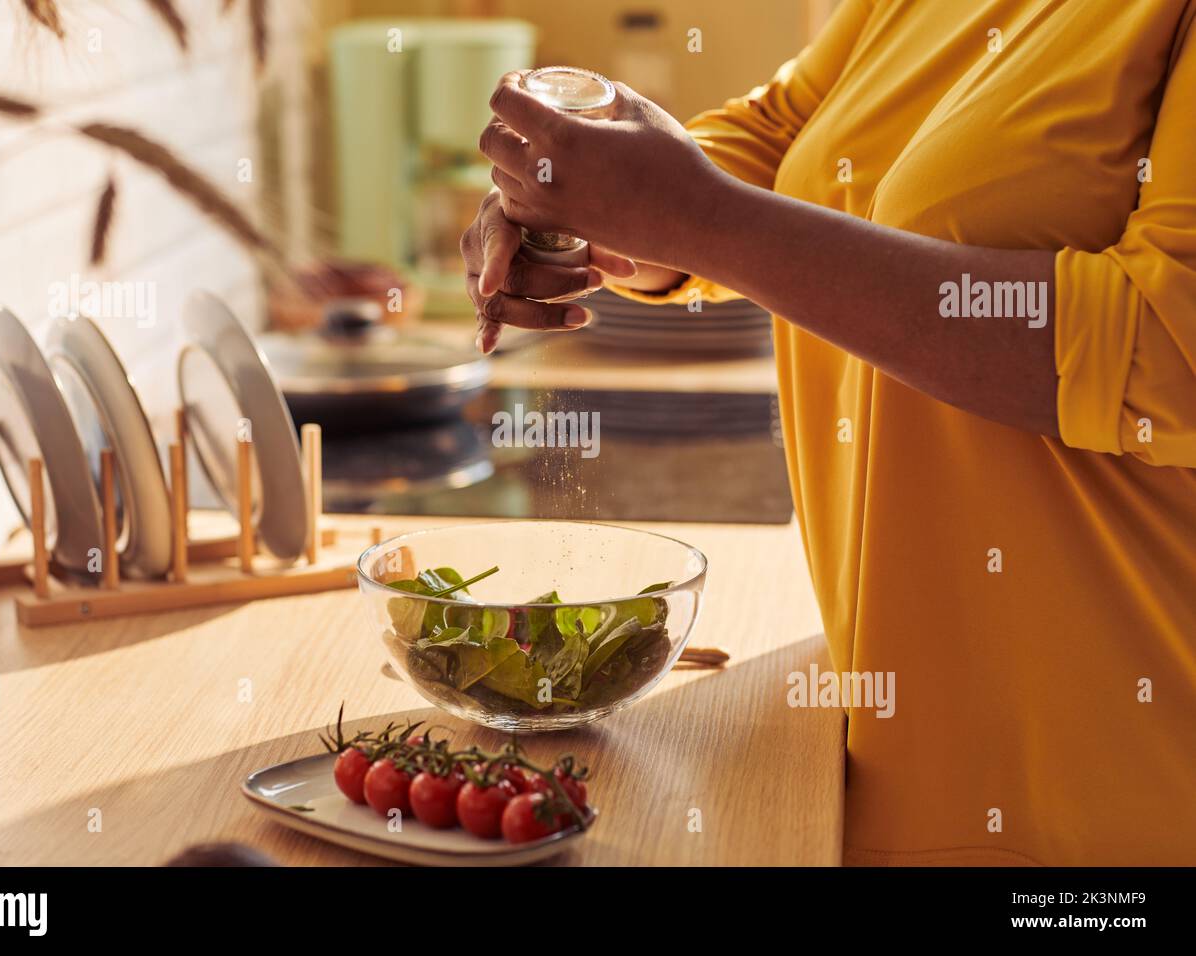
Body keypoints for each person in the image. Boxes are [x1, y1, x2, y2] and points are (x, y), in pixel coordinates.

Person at [459, 0, 1196, 865]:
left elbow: (1165, 348)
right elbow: (782, 132)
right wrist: (598, 205)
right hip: (876, 751)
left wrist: (698, 217)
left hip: (1109, 808)